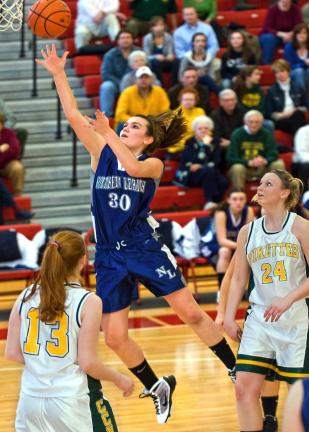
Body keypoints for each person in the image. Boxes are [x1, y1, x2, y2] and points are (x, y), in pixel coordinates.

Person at [36, 44, 237, 425]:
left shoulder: (153, 163)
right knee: (114, 337)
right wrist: (59, 74)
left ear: (148, 140)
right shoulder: (103, 152)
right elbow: (75, 117)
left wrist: (111, 134)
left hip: (144, 246)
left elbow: (130, 164)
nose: (127, 127)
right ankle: (157, 385)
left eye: (135, 127)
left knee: (191, 311)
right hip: (110, 253)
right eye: (126, 124)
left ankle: (233, 366)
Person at [5, 230, 134, 432]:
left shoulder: (25, 296)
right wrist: (120, 379)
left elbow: (12, 352)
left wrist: (45, 363)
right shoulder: (88, 301)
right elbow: (89, 363)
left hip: (29, 402)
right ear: (83, 260)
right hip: (71, 402)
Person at [224, 169, 309, 432]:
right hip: (259, 319)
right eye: (259, 183)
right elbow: (238, 279)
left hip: (296, 320)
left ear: (284, 193)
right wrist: (228, 316)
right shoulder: (247, 232)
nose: (259, 187)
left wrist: (287, 299)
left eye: (268, 184)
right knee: (243, 389)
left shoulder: (301, 227)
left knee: (299, 395)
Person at [215, 253, 280, 432]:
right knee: (264, 369)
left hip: (295, 314)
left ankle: (271, 415)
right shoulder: (252, 232)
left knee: (294, 381)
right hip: (260, 315)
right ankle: (269, 417)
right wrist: (222, 313)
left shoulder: (300, 230)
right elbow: (230, 276)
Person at [174, 115, 228, 208]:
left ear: (210, 130)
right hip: (191, 174)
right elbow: (189, 161)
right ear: (195, 130)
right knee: (208, 172)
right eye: (200, 128)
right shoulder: (190, 142)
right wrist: (204, 148)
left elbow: (216, 160)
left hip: (210, 172)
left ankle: (217, 204)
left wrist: (202, 165)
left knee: (223, 181)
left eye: (206, 128)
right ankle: (209, 201)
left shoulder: (214, 142)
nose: (203, 130)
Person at [227, 110, 285, 189]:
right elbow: (231, 157)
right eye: (251, 122)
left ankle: (277, 194)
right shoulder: (237, 134)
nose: (254, 124)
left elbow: (274, 154)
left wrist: (265, 160)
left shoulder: (266, 134)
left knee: (278, 164)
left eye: (257, 122)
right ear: (245, 122)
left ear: (261, 123)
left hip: (262, 167)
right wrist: (248, 162)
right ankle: (239, 193)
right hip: (245, 168)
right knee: (237, 167)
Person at [215, 188, 254, 297]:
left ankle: (250, 291)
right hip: (219, 246)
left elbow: (249, 236)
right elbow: (221, 240)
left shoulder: (248, 211)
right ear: (228, 200)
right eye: (235, 199)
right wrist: (241, 247)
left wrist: (243, 247)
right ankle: (222, 292)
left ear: (246, 200)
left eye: (241, 199)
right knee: (224, 251)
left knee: (253, 254)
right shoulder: (221, 213)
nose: (238, 202)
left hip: (240, 246)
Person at [114, 66, 170, 131]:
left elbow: (166, 112)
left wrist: (151, 123)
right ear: (136, 80)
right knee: (121, 125)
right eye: (141, 77)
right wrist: (138, 121)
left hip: (154, 125)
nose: (143, 79)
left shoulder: (160, 92)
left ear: (152, 79)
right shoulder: (127, 92)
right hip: (133, 125)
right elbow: (120, 115)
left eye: (146, 77)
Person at [99, 30, 138, 117]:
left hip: (136, 83)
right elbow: (106, 74)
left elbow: (147, 69)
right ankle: (106, 116)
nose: (125, 40)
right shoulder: (110, 55)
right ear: (118, 41)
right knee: (106, 86)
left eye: (128, 37)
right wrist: (121, 84)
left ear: (132, 40)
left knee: (156, 83)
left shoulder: (139, 52)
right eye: (123, 38)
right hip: (116, 83)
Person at [265, 59, 308, 137]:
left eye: (282, 71)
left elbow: (306, 106)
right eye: (277, 72)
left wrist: (295, 110)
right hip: (281, 120)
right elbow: (269, 113)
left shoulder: (297, 87)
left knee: (298, 116)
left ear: (288, 71)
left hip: (296, 116)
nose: (280, 74)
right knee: (301, 122)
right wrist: (284, 115)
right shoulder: (272, 90)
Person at [211, 89, 246, 169]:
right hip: (224, 146)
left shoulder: (242, 112)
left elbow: (245, 132)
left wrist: (232, 143)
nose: (230, 102)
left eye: (232, 99)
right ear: (221, 102)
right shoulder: (215, 115)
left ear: (236, 100)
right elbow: (217, 136)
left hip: (240, 143)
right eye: (227, 100)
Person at [259, 0, 302, 65]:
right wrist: (282, 34)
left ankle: (291, 65)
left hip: (291, 34)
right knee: (268, 38)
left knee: (297, 38)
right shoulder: (272, 9)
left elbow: (299, 25)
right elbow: (267, 27)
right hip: (275, 35)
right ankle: (266, 64)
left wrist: (292, 34)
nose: (285, 2)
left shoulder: (296, 9)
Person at [166, 87, 205, 156]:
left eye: (191, 99)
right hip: (180, 149)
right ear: (181, 100)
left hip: (197, 145)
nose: (188, 102)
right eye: (186, 99)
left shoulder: (200, 111)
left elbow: (206, 130)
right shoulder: (175, 115)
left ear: (196, 101)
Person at [142, 16, 179, 87]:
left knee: (176, 61)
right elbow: (146, 55)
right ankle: (160, 85)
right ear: (152, 28)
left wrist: (170, 55)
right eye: (156, 25)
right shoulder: (147, 38)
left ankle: (175, 84)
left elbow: (170, 51)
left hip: (165, 60)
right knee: (154, 63)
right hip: (153, 61)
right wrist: (155, 57)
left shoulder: (168, 37)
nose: (159, 27)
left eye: (161, 25)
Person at [284, 23, 309, 107]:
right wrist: (304, 63)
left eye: (304, 33)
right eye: (299, 33)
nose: (302, 35)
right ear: (295, 35)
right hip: (294, 73)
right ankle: (303, 100)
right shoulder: (289, 47)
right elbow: (289, 66)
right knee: (299, 72)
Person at [0, 112, 25, 195]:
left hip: (7, 164)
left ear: (2, 124)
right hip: (5, 160)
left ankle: (18, 195)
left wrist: (2, 156)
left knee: (17, 168)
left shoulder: (9, 133)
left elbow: (15, 150)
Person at [293, 124, 309, 192]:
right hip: (300, 163)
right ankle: (302, 196)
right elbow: (301, 153)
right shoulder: (303, 131)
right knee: (306, 166)